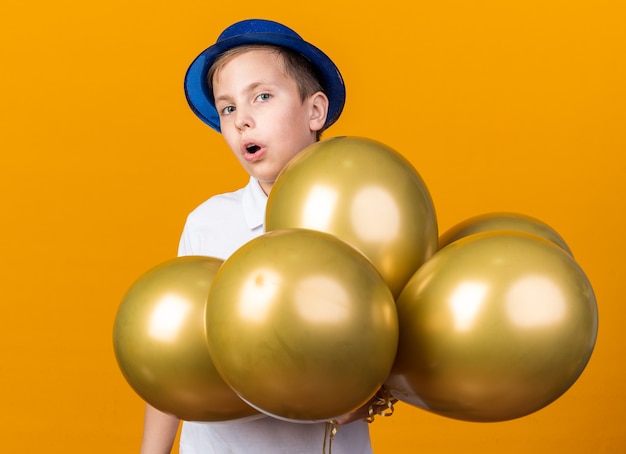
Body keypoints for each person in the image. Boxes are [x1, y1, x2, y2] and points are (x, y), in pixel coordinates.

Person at [139, 18, 375, 454]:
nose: (242, 120)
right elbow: (170, 356)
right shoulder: (207, 223)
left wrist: (372, 393)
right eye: (227, 108)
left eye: (262, 97)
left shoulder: (365, 216)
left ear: (314, 111)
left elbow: (397, 342)